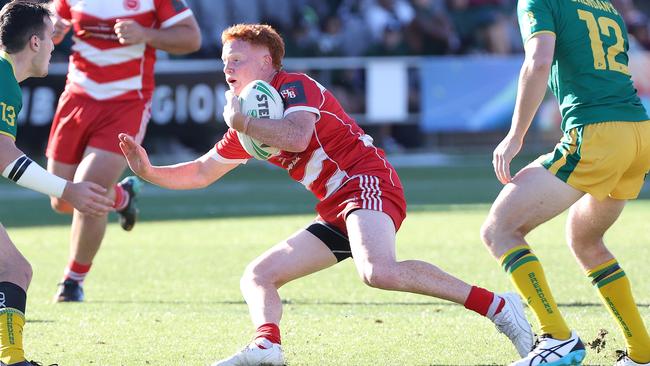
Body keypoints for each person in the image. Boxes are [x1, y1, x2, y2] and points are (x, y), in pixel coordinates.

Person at [119, 23, 533, 366]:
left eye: (237, 59)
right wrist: (148, 170)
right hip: (337, 205)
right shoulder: (245, 121)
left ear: (266, 60)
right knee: (259, 276)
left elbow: (297, 137)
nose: (227, 67)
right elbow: (201, 172)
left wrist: (242, 122)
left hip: (366, 180)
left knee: (378, 272)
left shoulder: (293, 86)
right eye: (224, 60)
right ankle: (267, 346)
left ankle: (499, 306)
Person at [481, 0, 650, 365]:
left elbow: (539, 62)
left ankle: (557, 338)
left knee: (500, 229)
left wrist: (515, 135)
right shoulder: (606, 6)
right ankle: (641, 353)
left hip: (598, 134)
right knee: (585, 240)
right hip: (639, 133)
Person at [46, 0, 201, 302]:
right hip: (76, 99)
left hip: (127, 103)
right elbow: (51, 22)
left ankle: (72, 281)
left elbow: (192, 38)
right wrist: (54, 26)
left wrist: (146, 33)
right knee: (61, 200)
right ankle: (122, 196)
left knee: (88, 188)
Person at [0, 2, 114, 365]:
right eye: (50, 38)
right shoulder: (4, 80)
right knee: (13, 270)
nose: (55, 45)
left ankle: (12, 359)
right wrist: (68, 190)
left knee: (14, 269)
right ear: (34, 43)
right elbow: (4, 157)